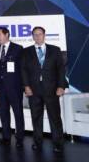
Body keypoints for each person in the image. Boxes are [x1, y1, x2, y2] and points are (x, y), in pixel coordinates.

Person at [21, 26, 67, 154]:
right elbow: (23, 70)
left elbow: (61, 70)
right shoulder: (26, 51)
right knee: (36, 118)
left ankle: (58, 143)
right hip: (33, 90)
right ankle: (37, 142)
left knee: (55, 118)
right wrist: (26, 86)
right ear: (32, 36)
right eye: (35, 34)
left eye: (40, 34)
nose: (37, 36)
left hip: (52, 90)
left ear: (44, 35)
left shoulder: (55, 50)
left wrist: (61, 86)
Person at [0, 27, 24, 148]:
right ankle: (6, 137)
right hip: (0, 88)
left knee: (18, 113)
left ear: (7, 34)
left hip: (15, 87)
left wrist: (24, 85)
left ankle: (19, 138)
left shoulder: (18, 48)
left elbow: (22, 68)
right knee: (3, 113)